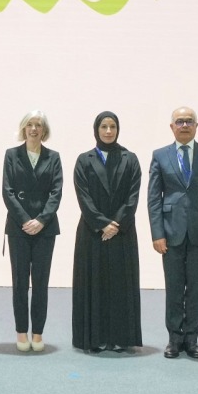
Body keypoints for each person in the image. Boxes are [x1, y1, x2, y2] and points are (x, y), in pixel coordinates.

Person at [148, 107, 198, 359]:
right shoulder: (159, 156)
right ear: (172, 126)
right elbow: (153, 200)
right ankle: (173, 338)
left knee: (195, 290)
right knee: (173, 289)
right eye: (179, 121)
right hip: (170, 235)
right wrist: (157, 233)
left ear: (196, 126)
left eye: (189, 121)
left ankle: (191, 339)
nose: (184, 125)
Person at [72, 111, 143, 353]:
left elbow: (133, 197)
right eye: (104, 126)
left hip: (122, 232)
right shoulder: (84, 160)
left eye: (113, 126)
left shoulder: (130, 159)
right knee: (93, 284)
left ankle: (121, 338)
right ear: (96, 129)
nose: (109, 131)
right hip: (93, 233)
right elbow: (83, 197)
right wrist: (102, 223)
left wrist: (116, 224)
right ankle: (95, 338)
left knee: (121, 286)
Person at [1, 110, 63, 353]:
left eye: (38, 125)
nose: (34, 129)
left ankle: (37, 333)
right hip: (18, 228)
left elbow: (56, 192)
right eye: (30, 125)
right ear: (24, 129)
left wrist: (41, 220)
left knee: (40, 282)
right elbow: (8, 192)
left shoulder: (54, 157)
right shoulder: (11, 155)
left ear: (44, 130)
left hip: (45, 230)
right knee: (19, 283)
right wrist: (26, 220)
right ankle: (21, 331)